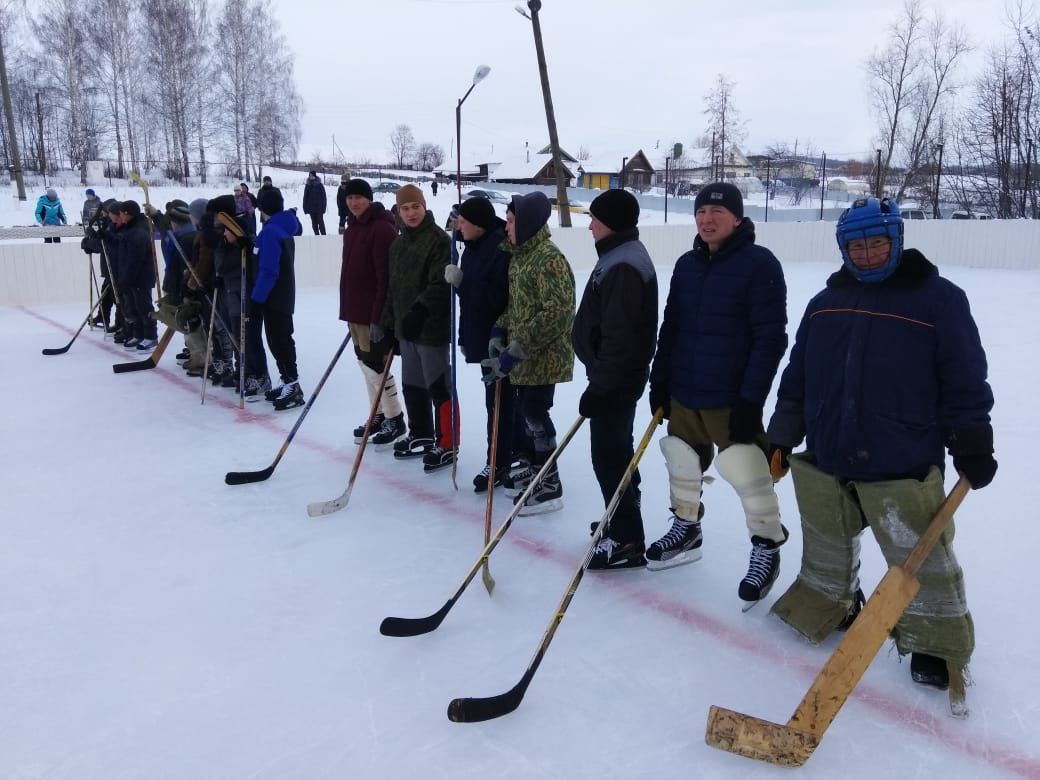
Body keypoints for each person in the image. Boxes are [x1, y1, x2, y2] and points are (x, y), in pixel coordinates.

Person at [766, 197, 996, 694]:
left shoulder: (939, 300)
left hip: (902, 452)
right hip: (830, 447)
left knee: (920, 556)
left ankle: (936, 644)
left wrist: (973, 440)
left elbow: (964, 379)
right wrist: (783, 433)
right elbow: (799, 376)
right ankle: (832, 602)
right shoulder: (825, 303)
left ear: (897, 240)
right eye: (856, 246)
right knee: (827, 544)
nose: (867, 254)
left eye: (877, 243)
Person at [647, 182, 788, 608]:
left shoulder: (760, 265)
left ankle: (767, 547)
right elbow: (671, 328)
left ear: (738, 219)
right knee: (682, 462)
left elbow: (770, 338)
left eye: (717, 212)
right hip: (686, 390)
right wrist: (660, 380)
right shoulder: (688, 265)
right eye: (701, 211)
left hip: (731, 397)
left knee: (748, 471)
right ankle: (686, 528)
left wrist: (751, 400)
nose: (707, 219)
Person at [573, 190, 658, 569]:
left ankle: (626, 539)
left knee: (610, 459)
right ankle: (620, 520)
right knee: (616, 455)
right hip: (613, 377)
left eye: (596, 218)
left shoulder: (623, 264)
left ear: (613, 222)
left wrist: (602, 388)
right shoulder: (617, 255)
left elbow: (620, 339)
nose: (590, 225)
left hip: (616, 381)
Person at [481, 191, 575, 515]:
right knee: (525, 413)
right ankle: (538, 468)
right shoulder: (521, 257)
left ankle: (550, 482)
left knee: (535, 414)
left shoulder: (548, 258)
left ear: (529, 222)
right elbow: (518, 307)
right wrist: (499, 329)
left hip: (544, 356)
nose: (506, 228)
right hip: (523, 356)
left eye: (510, 221)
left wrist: (520, 346)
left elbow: (558, 311)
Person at [379, 184, 457, 472]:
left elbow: (441, 284)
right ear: (398, 212)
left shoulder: (438, 240)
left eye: (416, 207)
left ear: (424, 207)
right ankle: (421, 433)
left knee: (438, 384)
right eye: (405, 208)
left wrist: (419, 311)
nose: (411, 213)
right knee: (413, 384)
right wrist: (389, 324)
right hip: (405, 328)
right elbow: (393, 288)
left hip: (430, 327)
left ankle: (448, 442)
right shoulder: (398, 244)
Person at [444, 195, 515, 492]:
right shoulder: (471, 249)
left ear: (479, 225)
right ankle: (504, 459)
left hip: (499, 343)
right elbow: (470, 305)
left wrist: (463, 283)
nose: (459, 226)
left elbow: (494, 301)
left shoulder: (499, 250)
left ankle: (499, 462)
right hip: (481, 340)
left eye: (464, 221)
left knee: (500, 404)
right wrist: (465, 340)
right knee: (496, 402)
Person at [338, 177, 406, 446]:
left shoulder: (381, 229)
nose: (354, 202)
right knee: (365, 365)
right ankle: (378, 413)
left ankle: (394, 417)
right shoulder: (352, 229)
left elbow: (385, 278)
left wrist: (379, 317)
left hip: (371, 313)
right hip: (354, 311)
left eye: (359, 197)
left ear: (369, 199)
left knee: (376, 366)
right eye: (349, 198)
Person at [253, 186, 306, 410]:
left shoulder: (271, 232)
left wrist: (257, 298)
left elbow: (268, 270)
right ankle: (287, 380)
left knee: (279, 340)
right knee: (280, 338)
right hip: (283, 294)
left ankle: (292, 384)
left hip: (274, 297)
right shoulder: (283, 227)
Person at [114, 200, 159, 350]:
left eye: (121, 213)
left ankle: (151, 336)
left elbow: (136, 259)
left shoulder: (138, 231)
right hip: (133, 277)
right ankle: (139, 334)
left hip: (141, 277)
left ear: (127, 214)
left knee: (144, 307)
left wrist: (126, 279)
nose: (120, 216)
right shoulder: (131, 228)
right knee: (134, 307)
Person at [302, 170, 328, 235]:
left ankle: (324, 235)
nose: (310, 177)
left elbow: (324, 197)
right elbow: (305, 197)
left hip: (319, 207)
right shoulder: (307, 185)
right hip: (311, 208)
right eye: (309, 176)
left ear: (315, 176)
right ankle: (316, 235)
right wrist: (305, 207)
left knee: (320, 222)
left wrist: (324, 207)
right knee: (314, 223)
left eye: (311, 175)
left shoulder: (320, 185)